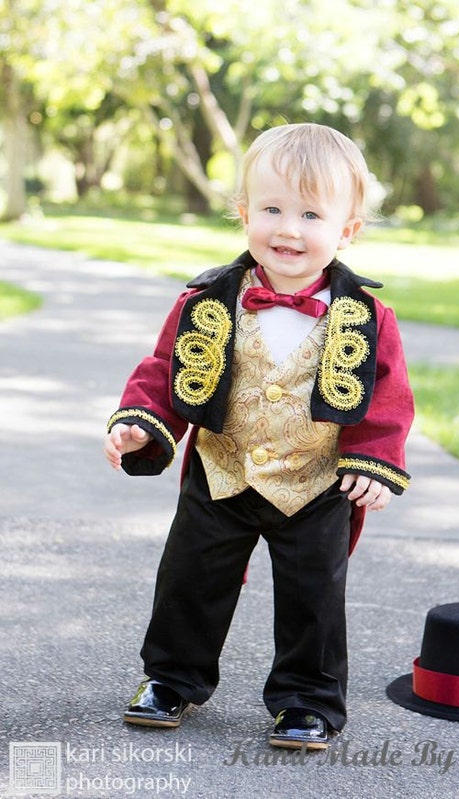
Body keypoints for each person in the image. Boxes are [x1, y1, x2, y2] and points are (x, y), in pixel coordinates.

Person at [104, 122, 414, 750]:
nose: (288, 229)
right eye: (271, 209)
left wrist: (374, 460)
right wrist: (141, 421)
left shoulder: (365, 316)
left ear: (347, 230)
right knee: (190, 579)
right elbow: (166, 368)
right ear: (244, 213)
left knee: (313, 595)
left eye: (311, 214)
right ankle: (171, 678)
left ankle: (307, 700)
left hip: (316, 483)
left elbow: (387, 395)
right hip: (222, 469)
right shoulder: (208, 300)